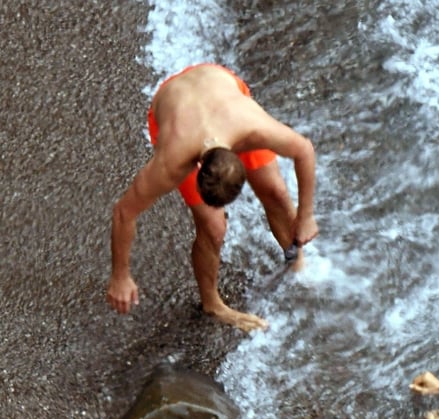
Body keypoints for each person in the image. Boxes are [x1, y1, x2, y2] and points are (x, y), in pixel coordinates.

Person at [107, 63, 320, 332]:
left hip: (221, 86)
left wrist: (306, 216)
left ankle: (295, 259)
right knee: (213, 227)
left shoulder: (254, 129)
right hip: (174, 102)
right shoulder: (172, 161)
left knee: (275, 191)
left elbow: (304, 150)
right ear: (195, 171)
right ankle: (212, 304)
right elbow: (124, 212)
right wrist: (120, 276)